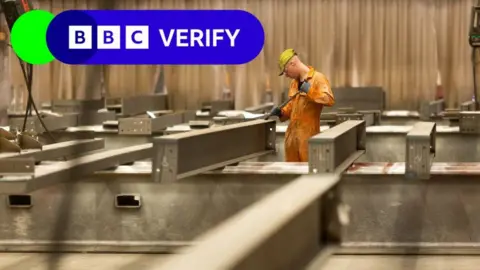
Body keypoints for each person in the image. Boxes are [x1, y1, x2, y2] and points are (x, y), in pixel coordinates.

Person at [271, 48, 335, 162]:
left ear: (293, 63)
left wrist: (309, 90)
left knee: (308, 176)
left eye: (286, 71)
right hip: (291, 142)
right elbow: (291, 108)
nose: (286, 75)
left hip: (308, 140)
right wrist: (281, 112)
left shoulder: (317, 78)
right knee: (292, 176)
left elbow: (329, 99)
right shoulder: (294, 84)